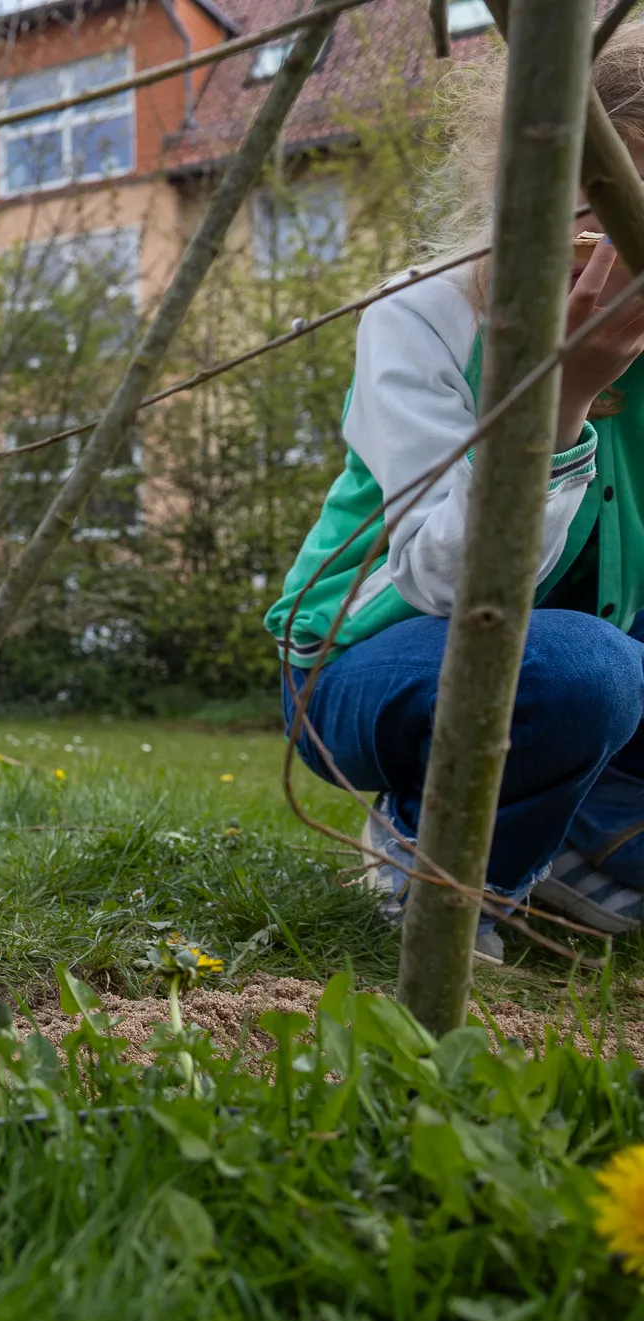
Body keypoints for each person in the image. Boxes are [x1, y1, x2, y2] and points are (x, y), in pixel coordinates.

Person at [267, 27, 644, 966]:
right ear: (533, 186)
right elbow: (446, 580)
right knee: (580, 670)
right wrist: (560, 392)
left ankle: (570, 853)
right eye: (615, 199)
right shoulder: (426, 315)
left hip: (576, 652)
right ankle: (442, 874)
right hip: (369, 665)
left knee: (595, 664)